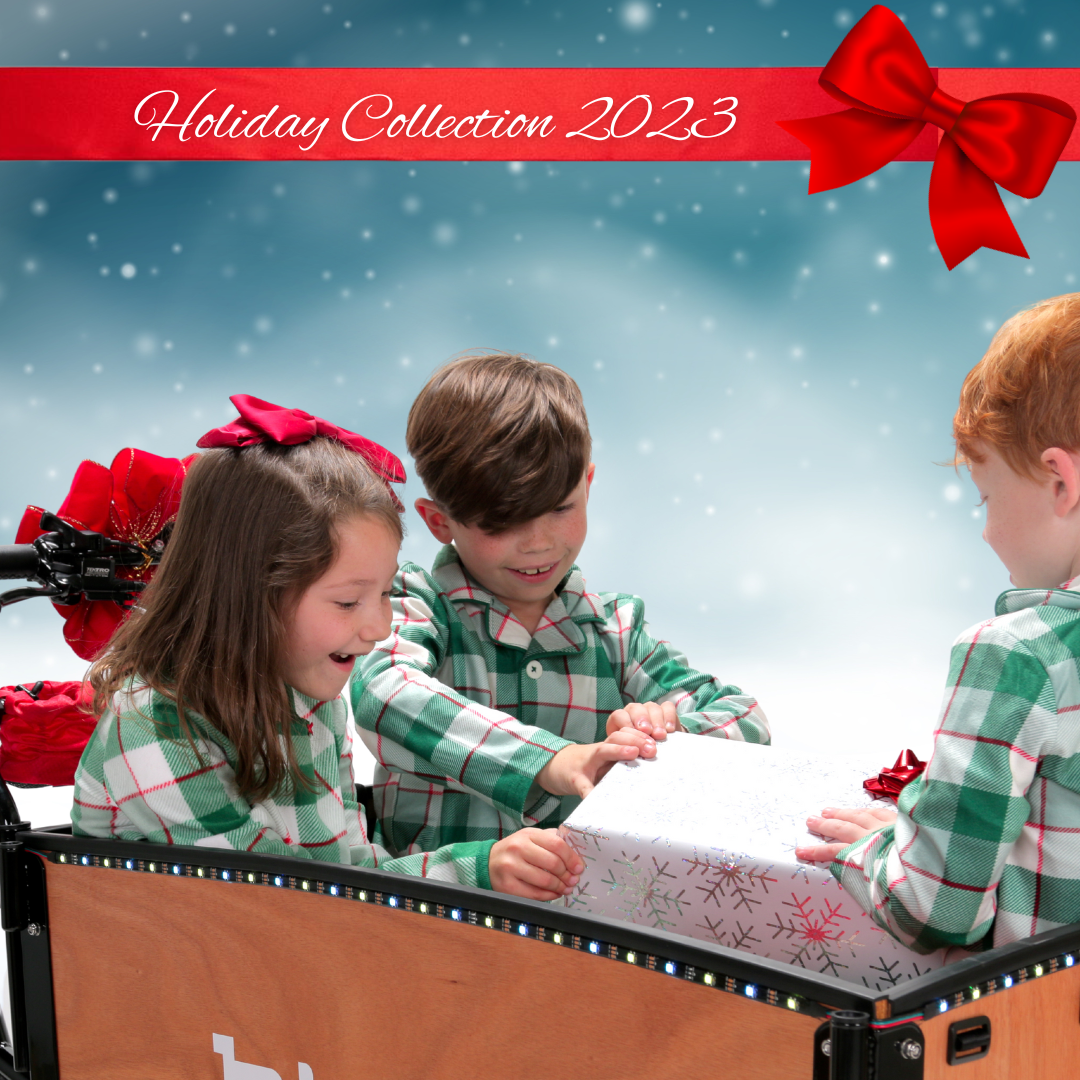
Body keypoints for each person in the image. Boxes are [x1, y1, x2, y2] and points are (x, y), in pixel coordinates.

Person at [71, 394, 587, 901]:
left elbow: (353, 877)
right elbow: (281, 906)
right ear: (249, 594)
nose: (381, 627)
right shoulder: (152, 723)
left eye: (385, 594)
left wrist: (481, 868)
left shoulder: (311, 702)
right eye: (347, 602)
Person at [353, 352, 769, 859]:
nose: (538, 543)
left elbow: (745, 718)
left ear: (587, 485)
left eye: (559, 508)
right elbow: (384, 691)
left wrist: (666, 730)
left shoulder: (615, 629)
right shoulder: (415, 602)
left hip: (576, 913)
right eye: (502, 521)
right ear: (440, 522)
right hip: (439, 914)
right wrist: (553, 760)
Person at [796, 293, 1080, 952]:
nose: (984, 531)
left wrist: (876, 848)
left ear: (1059, 482)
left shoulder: (1018, 656)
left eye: (988, 496)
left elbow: (936, 911)